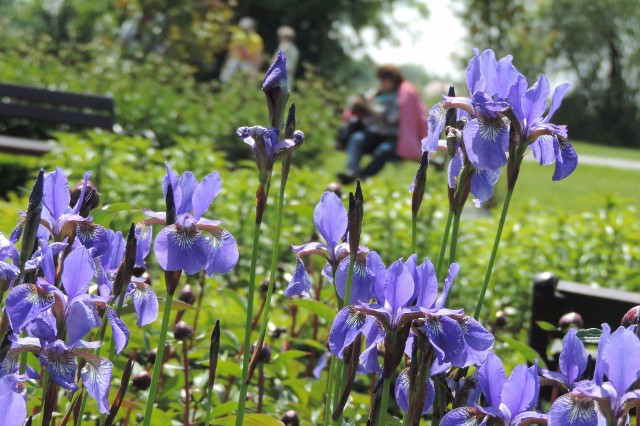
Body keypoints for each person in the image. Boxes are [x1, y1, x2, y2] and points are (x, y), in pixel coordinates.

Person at [337, 65, 427, 183]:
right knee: (356, 139)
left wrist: (370, 108)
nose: (382, 84)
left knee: (383, 151)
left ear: (392, 81)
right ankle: (351, 171)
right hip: (372, 133)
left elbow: (393, 118)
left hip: (390, 136)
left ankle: (362, 176)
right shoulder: (376, 93)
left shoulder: (400, 96)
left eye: (384, 81)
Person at [220, 17, 264, 83]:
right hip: (236, 61)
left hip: (249, 62)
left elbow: (258, 55)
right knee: (225, 78)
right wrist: (225, 66)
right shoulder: (237, 36)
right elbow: (230, 52)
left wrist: (256, 69)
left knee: (247, 82)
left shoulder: (256, 39)